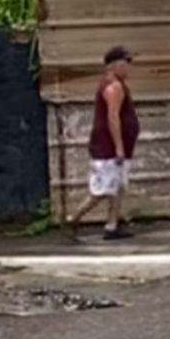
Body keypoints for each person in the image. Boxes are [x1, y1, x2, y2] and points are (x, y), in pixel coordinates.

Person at [65, 46, 141, 241]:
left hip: (114, 147)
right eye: (126, 63)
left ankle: (112, 224)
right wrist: (119, 147)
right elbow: (112, 118)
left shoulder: (116, 85)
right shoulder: (113, 87)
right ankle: (74, 218)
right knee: (102, 189)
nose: (128, 68)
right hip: (108, 149)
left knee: (117, 186)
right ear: (114, 65)